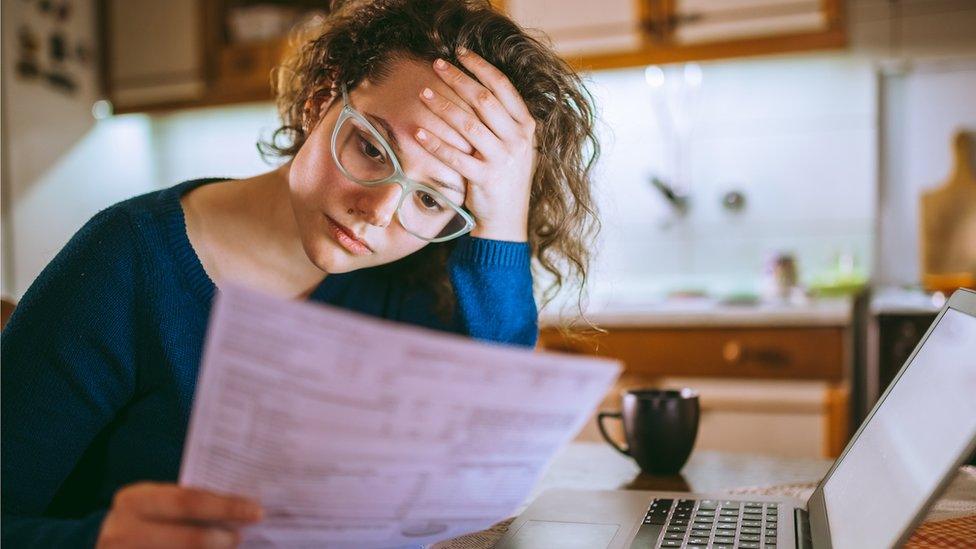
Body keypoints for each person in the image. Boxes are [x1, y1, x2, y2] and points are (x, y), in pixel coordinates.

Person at [0, 0, 599, 546]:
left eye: (430, 200)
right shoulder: (124, 261)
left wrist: (503, 221)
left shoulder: (414, 282)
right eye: (370, 148)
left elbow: (487, 451)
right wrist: (97, 541)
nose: (376, 212)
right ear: (320, 102)